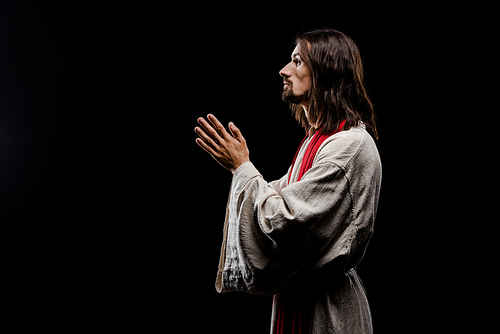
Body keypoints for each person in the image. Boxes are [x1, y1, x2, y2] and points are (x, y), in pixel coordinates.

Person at [194, 29, 381, 334]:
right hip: (295, 300)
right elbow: (276, 199)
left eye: (297, 61)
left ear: (325, 71)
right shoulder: (315, 141)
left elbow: (284, 222)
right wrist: (240, 169)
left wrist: (242, 167)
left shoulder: (348, 146)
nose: (284, 70)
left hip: (325, 311)